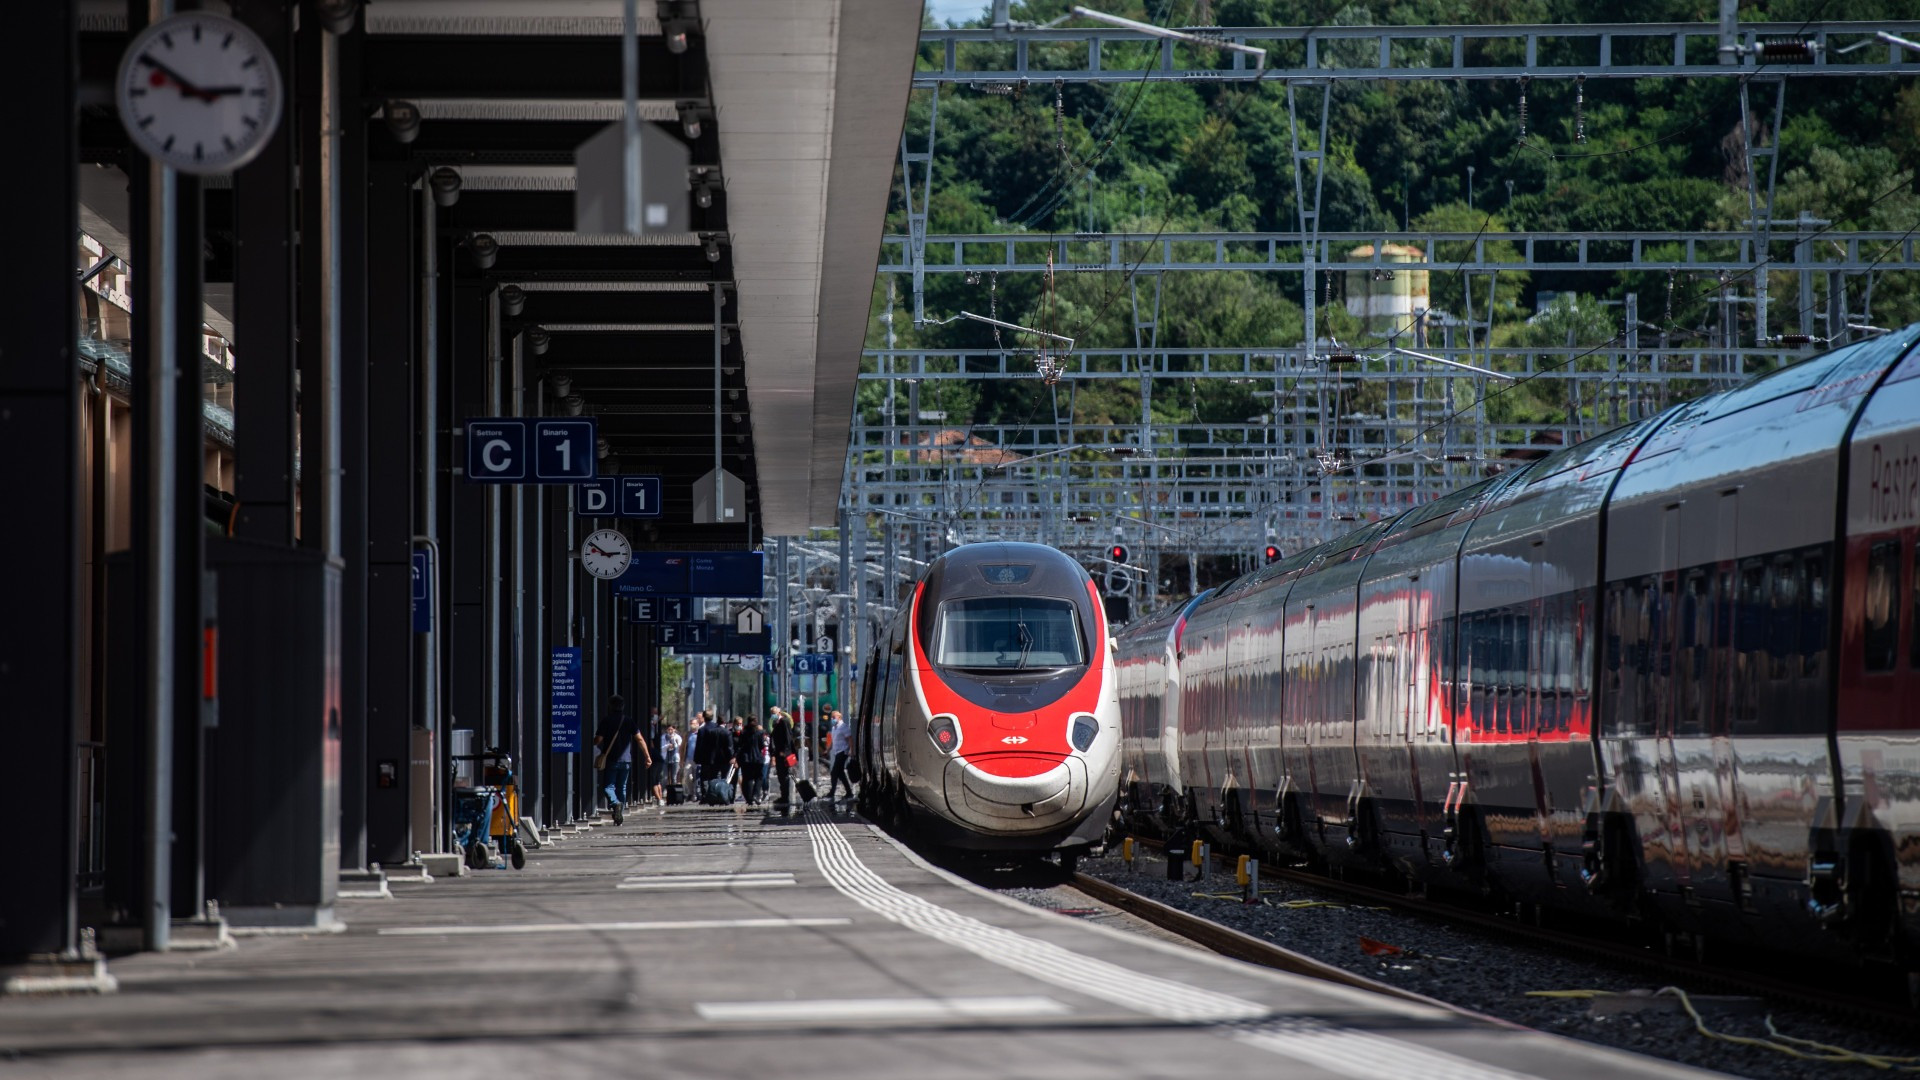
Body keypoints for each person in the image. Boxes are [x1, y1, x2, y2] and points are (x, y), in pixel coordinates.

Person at [591, 694, 649, 826]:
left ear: (610, 706)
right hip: (626, 760)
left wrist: (593, 741)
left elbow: (598, 740)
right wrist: (647, 756)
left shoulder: (606, 720)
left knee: (608, 787)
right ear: (622, 707)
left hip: (611, 759)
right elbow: (639, 739)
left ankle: (615, 803)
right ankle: (619, 815)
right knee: (622, 787)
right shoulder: (628, 721)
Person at [768, 708, 795, 811]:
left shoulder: (784, 721)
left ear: (779, 713)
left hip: (784, 754)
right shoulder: (776, 723)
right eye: (771, 714)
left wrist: (785, 751)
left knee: (784, 775)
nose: (772, 715)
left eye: (774, 713)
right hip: (779, 753)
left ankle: (785, 798)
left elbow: (788, 737)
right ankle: (784, 796)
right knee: (781, 775)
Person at [737, 716, 767, 805]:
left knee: (747, 778)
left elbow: (740, 745)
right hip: (757, 758)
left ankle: (749, 798)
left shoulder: (743, 733)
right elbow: (762, 745)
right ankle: (756, 795)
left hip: (746, 759)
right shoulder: (760, 733)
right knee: (759, 777)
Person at [826, 709, 854, 803]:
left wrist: (851, 750)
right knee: (840, 773)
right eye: (831, 717)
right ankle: (849, 792)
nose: (832, 719)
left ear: (839, 717)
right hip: (837, 752)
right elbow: (833, 741)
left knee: (834, 772)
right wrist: (827, 750)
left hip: (843, 752)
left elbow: (850, 739)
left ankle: (832, 792)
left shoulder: (843, 727)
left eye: (834, 717)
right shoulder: (834, 728)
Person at [655, 722, 682, 804]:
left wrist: (674, 741)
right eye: (669, 729)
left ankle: (674, 794)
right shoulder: (663, 737)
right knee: (665, 777)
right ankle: (663, 793)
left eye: (672, 729)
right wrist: (667, 746)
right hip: (665, 758)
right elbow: (661, 748)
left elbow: (679, 746)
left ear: (674, 729)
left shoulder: (678, 737)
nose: (670, 731)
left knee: (674, 777)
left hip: (675, 758)